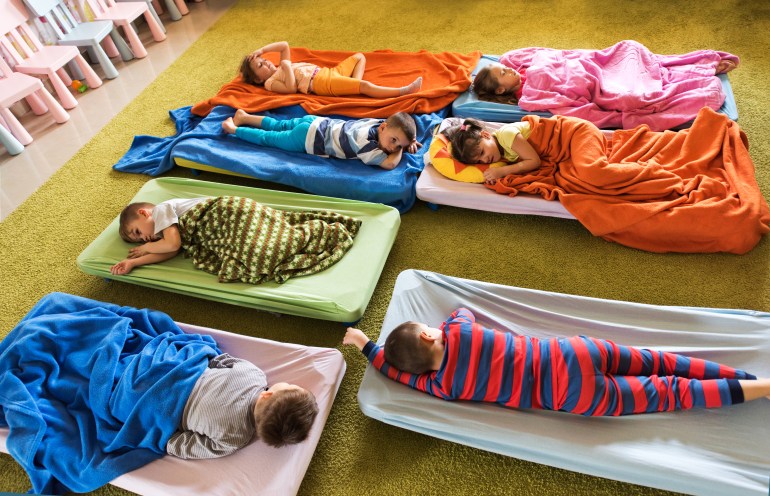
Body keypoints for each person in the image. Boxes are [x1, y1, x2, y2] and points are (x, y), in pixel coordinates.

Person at [343, 308, 770, 416]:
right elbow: (461, 311)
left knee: (673, 394)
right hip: (574, 352)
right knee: (658, 360)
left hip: (575, 396)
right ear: (429, 333)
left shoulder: (442, 387)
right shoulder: (460, 331)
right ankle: (745, 376)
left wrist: (369, 349)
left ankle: (760, 386)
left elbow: (400, 375)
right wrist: (367, 339)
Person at [111, 196, 361, 284]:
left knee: (259, 252)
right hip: (221, 230)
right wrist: (135, 263)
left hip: (228, 213)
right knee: (256, 256)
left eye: (137, 232)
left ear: (144, 213)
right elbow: (170, 251)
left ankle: (312, 233)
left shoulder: (162, 210)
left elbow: (172, 245)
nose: (141, 238)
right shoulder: (165, 234)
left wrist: (146, 247)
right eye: (136, 240)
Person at [472, 42, 739, 105]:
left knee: (628, 50)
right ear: (500, 90)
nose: (508, 66)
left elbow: (525, 54)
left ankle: (700, 66)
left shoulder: (521, 65)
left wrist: (502, 64)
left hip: (591, 64)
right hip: (591, 80)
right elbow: (566, 99)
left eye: (504, 66)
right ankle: (699, 79)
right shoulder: (527, 95)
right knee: (636, 89)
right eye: (503, 72)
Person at [166, 352, 319, 458]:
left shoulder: (254, 374)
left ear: (267, 394)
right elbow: (187, 447)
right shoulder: (234, 439)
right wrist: (169, 442)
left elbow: (219, 360)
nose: (288, 382)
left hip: (180, 374)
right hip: (166, 410)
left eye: (290, 384)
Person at [222, 109, 421, 170]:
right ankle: (234, 129)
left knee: (278, 125)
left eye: (398, 144)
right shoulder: (365, 145)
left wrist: (406, 139)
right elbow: (389, 164)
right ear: (384, 128)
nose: (393, 147)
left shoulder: (376, 123)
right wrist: (401, 149)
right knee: (270, 138)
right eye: (393, 141)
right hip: (307, 139)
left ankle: (244, 117)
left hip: (316, 122)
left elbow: (397, 130)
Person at [240, 40, 423, 97]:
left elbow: (284, 45)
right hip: (319, 83)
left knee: (359, 57)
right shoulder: (270, 82)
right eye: (260, 65)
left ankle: (353, 84)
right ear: (258, 79)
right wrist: (287, 68)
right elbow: (290, 88)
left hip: (328, 72)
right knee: (365, 85)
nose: (266, 62)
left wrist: (261, 50)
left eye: (263, 59)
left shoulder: (280, 64)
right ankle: (402, 91)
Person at [442, 117, 541, 183]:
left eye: (482, 152)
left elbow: (534, 161)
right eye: (479, 161)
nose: (485, 160)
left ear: (486, 135)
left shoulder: (507, 135)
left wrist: (502, 171)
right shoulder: (499, 152)